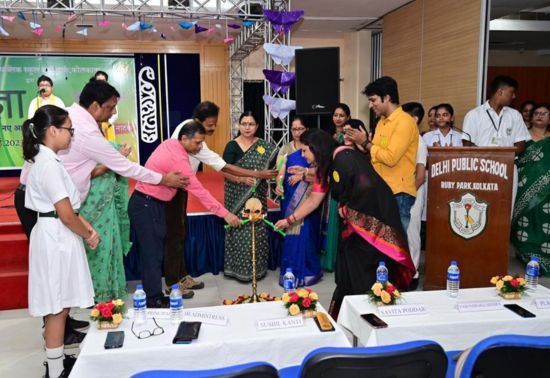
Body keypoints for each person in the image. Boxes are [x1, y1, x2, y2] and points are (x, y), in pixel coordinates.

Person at [275, 128, 415, 320]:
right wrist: (289, 220)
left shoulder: (344, 159)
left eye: (305, 151)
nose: (303, 155)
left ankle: (369, 317)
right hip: (354, 228)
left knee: (363, 271)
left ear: (316, 149)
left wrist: (348, 210)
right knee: (345, 269)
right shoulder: (327, 167)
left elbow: (368, 188)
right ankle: (346, 317)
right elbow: (313, 200)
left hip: (373, 227)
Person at [165, 102, 276, 296]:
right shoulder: (189, 135)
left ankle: (181, 276)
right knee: (175, 237)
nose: (213, 128)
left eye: (215, 124)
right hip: (171, 188)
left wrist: (248, 176)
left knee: (180, 234)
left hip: (181, 187)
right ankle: (173, 284)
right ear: (198, 121)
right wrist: (257, 174)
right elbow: (224, 166)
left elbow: (222, 165)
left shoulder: (194, 136)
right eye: (210, 124)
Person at [128, 122, 241, 308]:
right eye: (197, 143)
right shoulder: (180, 160)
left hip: (151, 203)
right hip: (146, 205)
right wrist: (226, 214)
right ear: (184, 139)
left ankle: (154, 296)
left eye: (202, 142)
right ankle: (153, 300)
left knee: (155, 253)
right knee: (152, 255)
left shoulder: (171, 145)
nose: (199, 147)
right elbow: (201, 192)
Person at [22, 105, 99, 378]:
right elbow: (66, 215)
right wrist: (87, 233)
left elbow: (67, 209)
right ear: (53, 131)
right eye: (69, 129)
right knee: (56, 309)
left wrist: (85, 225)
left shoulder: (48, 160)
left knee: (62, 304)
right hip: (55, 237)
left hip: (57, 233)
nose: (71, 135)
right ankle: (55, 372)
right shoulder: (47, 164)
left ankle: (60, 361)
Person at [59, 79, 186, 202]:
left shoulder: (67, 113)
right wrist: (164, 179)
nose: (114, 112)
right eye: (111, 107)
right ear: (95, 106)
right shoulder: (88, 133)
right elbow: (125, 167)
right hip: (63, 202)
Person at [347, 76, 419, 231]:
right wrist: (364, 147)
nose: (370, 105)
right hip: (381, 189)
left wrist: (366, 143)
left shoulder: (405, 122)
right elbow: (377, 154)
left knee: (395, 245)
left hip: (398, 193)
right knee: (382, 244)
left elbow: (390, 158)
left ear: (386, 97)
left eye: (373, 100)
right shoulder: (381, 122)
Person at [222, 111, 278, 282]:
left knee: (256, 227)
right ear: (239, 125)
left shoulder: (263, 146)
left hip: (257, 196)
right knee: (239, 229)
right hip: (235, 194)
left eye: (251, 124)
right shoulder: (232, 146)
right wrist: (241, 179)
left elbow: (271, 171)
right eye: (244, 124)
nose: (247, 127)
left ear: (257, 126)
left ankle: (258, 268)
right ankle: (236, 268)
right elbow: (225, 171)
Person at [462, 76, 531, 209]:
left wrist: (499, 155)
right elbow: (467, 144)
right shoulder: (474, 115)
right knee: (480, 206)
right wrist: (492, 155)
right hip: (480, 168)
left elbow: (521, 145)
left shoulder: (515, 115)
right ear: (500, 91)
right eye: (512, 92)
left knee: (505, 208)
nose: (514, 96)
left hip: (508, 168)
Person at [78, 132, 132, 303]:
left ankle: (109, 291)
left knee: (108, 247)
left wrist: (117, 159)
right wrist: (115, 159)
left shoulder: (109, 148)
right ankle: (91, 294)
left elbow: (119, 178)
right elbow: (84, 175)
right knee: (92, 249)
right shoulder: (77, 150)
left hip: (107, 210)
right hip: (85, 207)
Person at [275, 117, 322, 287]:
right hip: (290, 195)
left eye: (300, 128)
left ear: (306, 129)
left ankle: (308, 271)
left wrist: (304, 175)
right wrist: (279, 183)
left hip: (309, 193)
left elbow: (320, 173)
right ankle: (290, 271)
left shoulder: (312, 149)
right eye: (294, 129)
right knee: (292, 231)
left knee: (306, 231)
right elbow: (280, 170)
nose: (297, 132)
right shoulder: (286, 149)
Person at [511, 103, 550, 275]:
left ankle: (544, 258)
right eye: (537, 113)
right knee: (524, 222)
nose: (540, 116)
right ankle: (526, 255)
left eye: (545, 113)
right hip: (523, 188)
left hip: (547, 192)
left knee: (544, 222)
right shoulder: (522, 137)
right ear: (531, 117)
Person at [402, 102, 428, 291]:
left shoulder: (419, 142)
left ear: (414, 119)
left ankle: (413, 274)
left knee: (412, 233)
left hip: (412, 193)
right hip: (400, 193)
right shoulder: (404, 139)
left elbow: (420, 175)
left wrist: (408, 194)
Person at [90, 70, 117, 141]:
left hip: (108, 127)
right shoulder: (90, 94)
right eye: (99, 80)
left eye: (103, 80)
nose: (101, 82)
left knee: (110, 149)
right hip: (93, 128)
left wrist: (106, 124)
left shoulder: (111, 94)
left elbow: (115, 113)